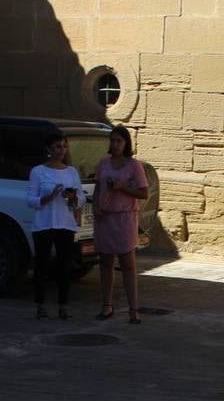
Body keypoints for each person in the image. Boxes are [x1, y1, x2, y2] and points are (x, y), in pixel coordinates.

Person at [92, 125, 148, 324]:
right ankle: (107, 305)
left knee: (127, 263)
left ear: (126, 143)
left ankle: (134, 309)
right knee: (105, 262)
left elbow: (143, 193)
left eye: (119, 141)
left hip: (125, 218)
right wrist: (95, 208)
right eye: (112, 141)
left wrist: (123, 187)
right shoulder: (103, 164)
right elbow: (98, 189)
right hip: (105, 218)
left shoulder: (134, 165)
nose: (115, 144)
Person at [26, 133, 86, 319]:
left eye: (64, 147)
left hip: (65, 223)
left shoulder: (71, 172)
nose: (61, 150)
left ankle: (63, 305)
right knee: (41, 266)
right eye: (58, 147)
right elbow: (30, 199)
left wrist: (73, 197)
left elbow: (81, 198)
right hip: (44, 223)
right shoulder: (38, 171)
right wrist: (48, 197)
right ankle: (40, 304)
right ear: (49, 149)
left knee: (64, 266)